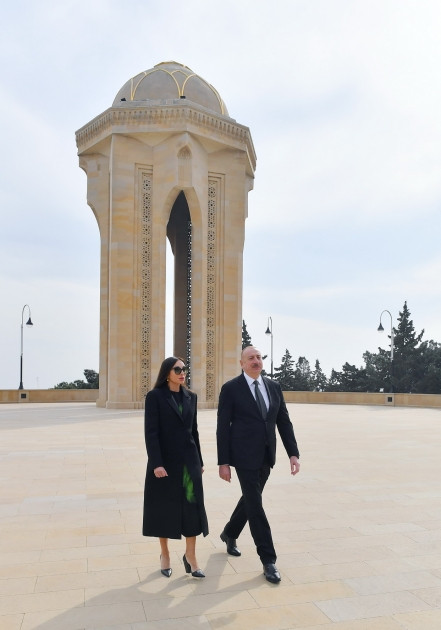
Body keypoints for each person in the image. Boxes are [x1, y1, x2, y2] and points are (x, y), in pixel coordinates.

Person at [216, 345, 300, 583]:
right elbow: (223, 427)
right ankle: (268, 559)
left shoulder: (273, 387)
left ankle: (229, 532)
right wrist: (223, 462)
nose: (256, 361)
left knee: (250, 499)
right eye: (250, 358)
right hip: (243, 456)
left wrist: (293, 453)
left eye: (259, 357)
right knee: (255, 505)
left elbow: (283, 421)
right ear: (242, 363)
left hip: (266, 455)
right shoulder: (231, 389)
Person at [143, 356, 208, 578]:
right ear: (167, 373)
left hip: (189, 463)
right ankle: (165, 554)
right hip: (165, 463)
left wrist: (199, 461)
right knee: (164, 508)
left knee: (192, 507)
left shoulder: (191, 397)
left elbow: (194, 432)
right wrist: (156, 463)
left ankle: (191, 556)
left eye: (184, 369)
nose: (182, 373)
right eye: (177, 369)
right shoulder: (155, 397)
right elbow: (151, 433)